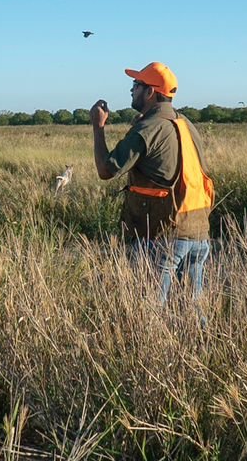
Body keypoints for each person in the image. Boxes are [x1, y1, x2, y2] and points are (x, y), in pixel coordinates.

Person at [90, 61, 215, 302]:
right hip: (198, 233)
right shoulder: (185, 124)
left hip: (163, 235)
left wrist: (98, 126)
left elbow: (106, 170)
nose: (131, 90)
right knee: (191, 311)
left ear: (150, 92)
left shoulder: (149, 128)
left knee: (150, 313)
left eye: (136, 85)